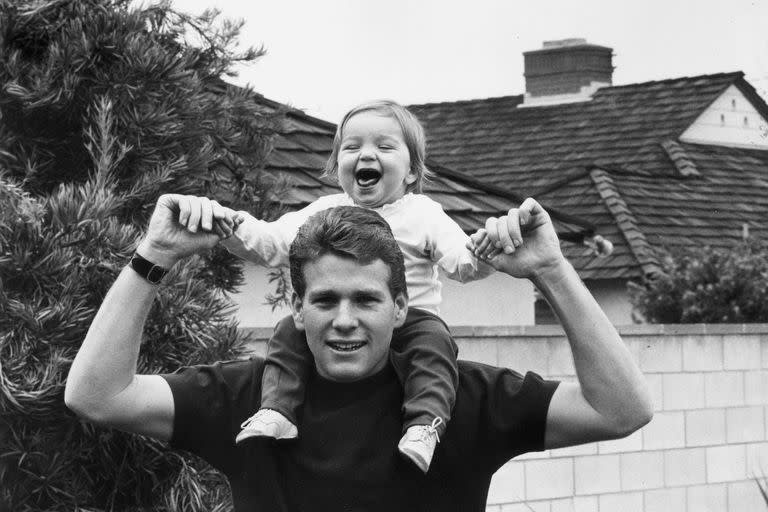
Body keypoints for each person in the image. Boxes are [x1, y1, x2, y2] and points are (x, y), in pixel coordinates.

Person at [65, 195, 653, 512]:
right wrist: (154, 255)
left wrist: (550, 269)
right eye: (324, 299)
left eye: (366, 300)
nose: (344, 320)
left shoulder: (464, 398)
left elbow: (621, 410)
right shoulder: (249, 400)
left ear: (402, 308)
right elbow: (97, 394)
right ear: (297, 309)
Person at [218, 100, 496, 473]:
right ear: (337, 169)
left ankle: (423, 426)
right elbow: (270, 242)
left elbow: (461, 263)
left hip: (411, 322)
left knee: (436, 346)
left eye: (384, 146)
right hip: (344, 323)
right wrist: (229, 226)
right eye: (352, 147)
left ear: (411, 171)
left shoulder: (424, 214)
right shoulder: (324, 211)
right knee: (288, 332)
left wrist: (487, 251)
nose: (366, 154)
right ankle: (277, 410)